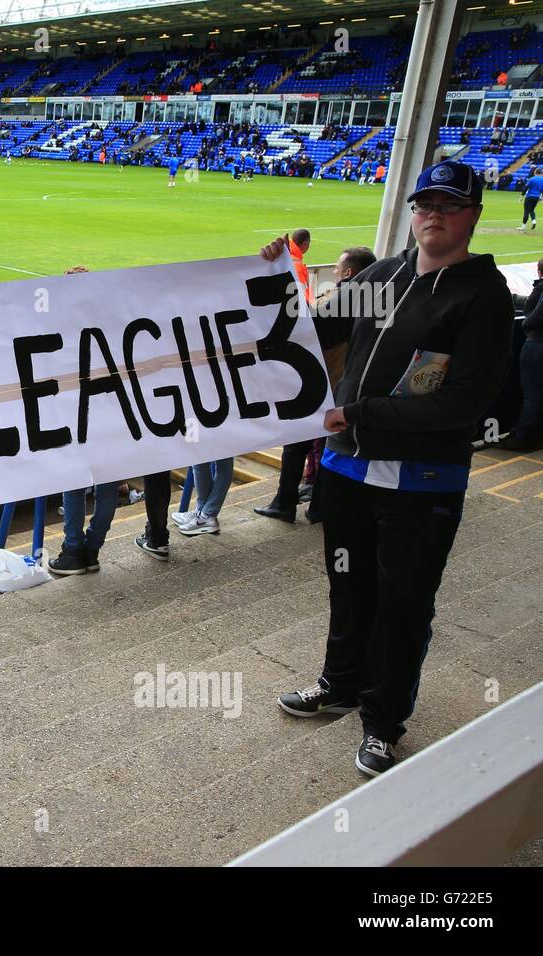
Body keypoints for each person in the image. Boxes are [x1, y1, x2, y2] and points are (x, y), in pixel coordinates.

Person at [264, 161, 513, 777]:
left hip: (422, 483)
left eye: (450, 205)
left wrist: (359, 412)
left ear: (472, 216)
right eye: (425, 202)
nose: (434, 214)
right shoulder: (385, 273)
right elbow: (309, 328)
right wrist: (266, 276)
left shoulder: (484, 295)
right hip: (349, 474)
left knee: (404, 603)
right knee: (349, 589)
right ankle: (341, 683)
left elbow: (464, 403)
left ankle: (383, 721)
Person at [256, 246, 377, 524]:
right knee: (326, 447)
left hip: (326, 388)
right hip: (347, 389)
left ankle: (285, 503)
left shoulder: (342, 299)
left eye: (337, 267)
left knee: (298, 445)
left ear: (348, 272)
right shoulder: (380, 300)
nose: (333, 272)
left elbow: (310, 329)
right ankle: (318, 505)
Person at [499, 255, 543, 451]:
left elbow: (535, 315)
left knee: (531, 392)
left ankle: (522, 436)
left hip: (537, 345)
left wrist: (527, 324)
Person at [519, 166, 543, 231]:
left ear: (535, 172)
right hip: (537, 197)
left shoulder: (532, 179)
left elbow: (526, 188)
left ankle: (523, 226)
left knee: (526, 211)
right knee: (531, 210)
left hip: (529, 196)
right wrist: (541, 197)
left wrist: (521, 196)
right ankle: (534, 220)